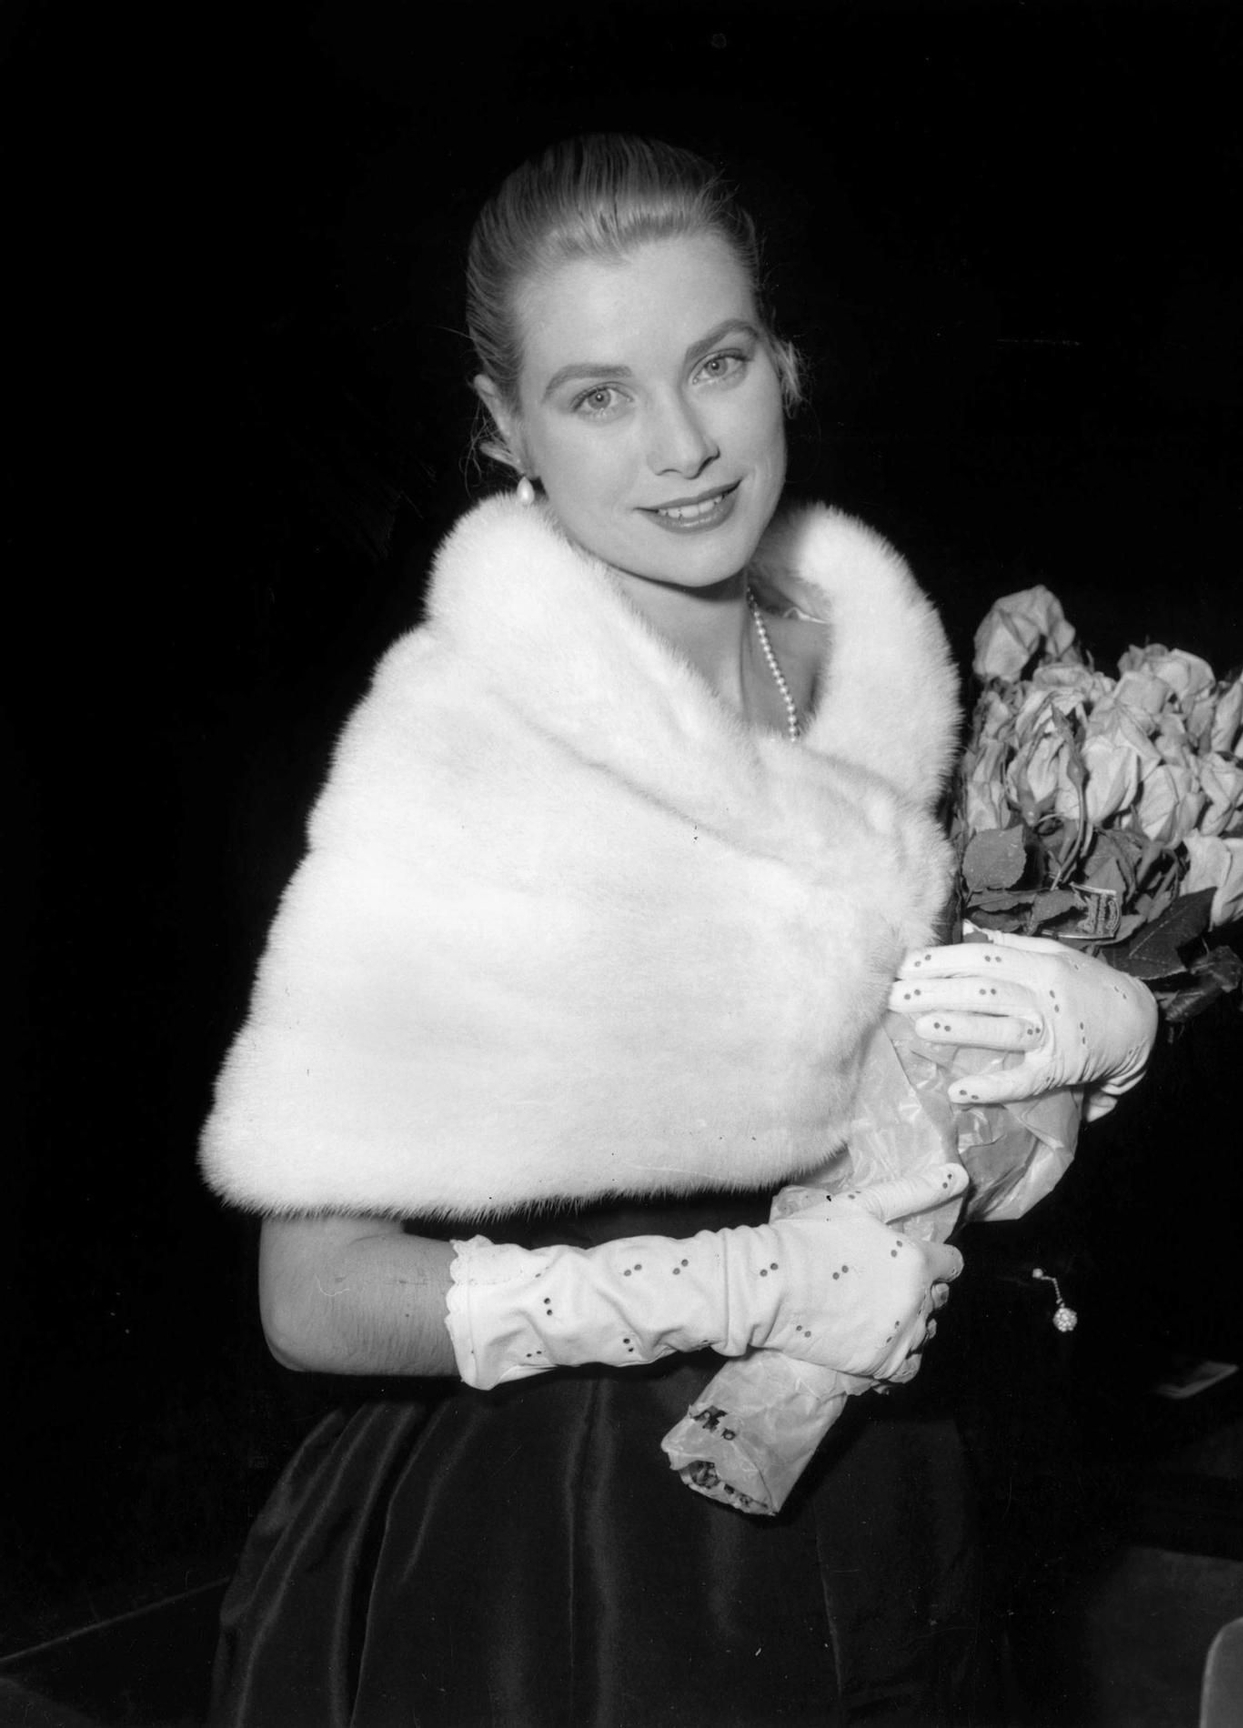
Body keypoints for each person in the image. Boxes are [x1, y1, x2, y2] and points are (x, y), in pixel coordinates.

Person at [202, 133, 1156, 1728]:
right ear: (509, 429)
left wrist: (1082, 1052)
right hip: (564, 1547)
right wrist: (744, 1287)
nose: (684, 448)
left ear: (783, 356)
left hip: (879, 1481)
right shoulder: (461, 754)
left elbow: (882, 1113)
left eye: (715, 363)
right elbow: (310, 1294)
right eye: (598, 396)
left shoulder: (868, 658)